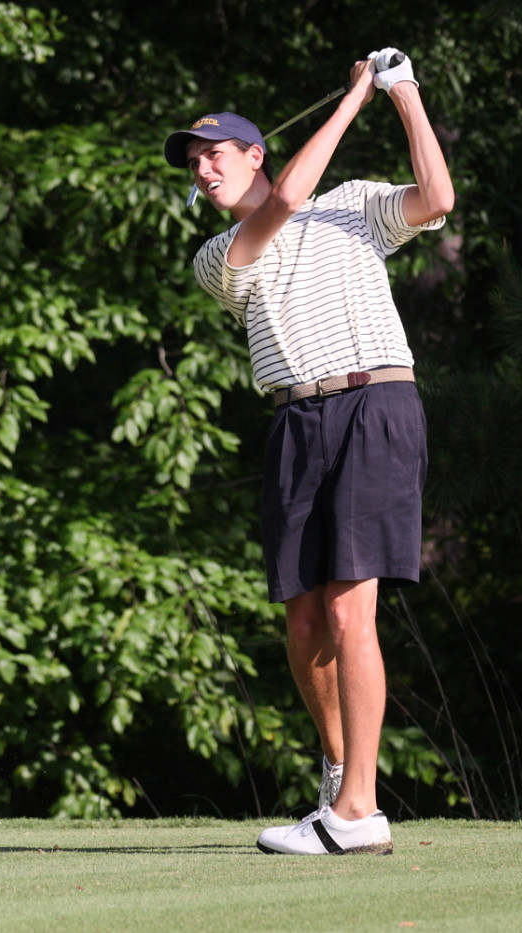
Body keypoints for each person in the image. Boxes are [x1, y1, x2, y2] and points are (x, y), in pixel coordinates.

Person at [162, 50, 454, 855]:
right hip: (296, 423)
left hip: (375, 403)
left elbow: (438, 197)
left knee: (348, 606)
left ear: (254, 151)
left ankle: (357, 811)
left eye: (214, 152)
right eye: (194, 162)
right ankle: (338, 770)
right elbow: (287, 198)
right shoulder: (219, 258)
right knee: (302, 622)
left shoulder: (354, 206)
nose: (203, 168)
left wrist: (403, 96)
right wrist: (357, 91)